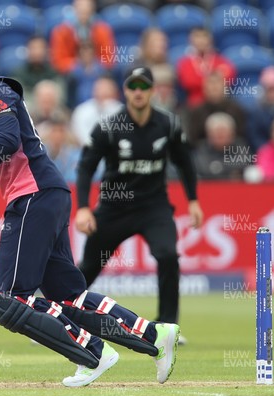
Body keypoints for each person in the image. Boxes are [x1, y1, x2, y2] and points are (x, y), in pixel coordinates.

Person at [0, 33, 180, 387]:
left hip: (34, 196)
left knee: (13, 298)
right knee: (68, 297)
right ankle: (154, 335)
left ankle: (91, 352)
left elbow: (9, 141)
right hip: (45, 193)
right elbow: (3, 158)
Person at [75, 66, 203, 342]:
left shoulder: (168, 123)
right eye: (133, 87)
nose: (138, 92)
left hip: (153, 207)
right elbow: (86, 167)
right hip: (113, 207)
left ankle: (168, 326)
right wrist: (83, 207)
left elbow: (185, 163)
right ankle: (56, 314)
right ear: (125, 91)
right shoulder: (110, 126)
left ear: (152, 91)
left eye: (144, 87)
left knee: (168, 255)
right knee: (88, 266)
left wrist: (193, 200)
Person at [49, 0, 115, 74]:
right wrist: (78, 66)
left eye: (87, 12)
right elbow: (58, 61)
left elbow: (108, 59)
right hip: (70, 74)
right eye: (81, 12)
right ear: (74, 10)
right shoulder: (61, 32)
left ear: (92, 11)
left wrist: (94, 66)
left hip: (97, 72)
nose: (84, 15)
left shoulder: (103, 30)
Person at [176, 27, 236, 108]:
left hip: (220, 104)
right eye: (197, 36)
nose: (201, 40)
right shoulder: (184, 63)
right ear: (190, 39)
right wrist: (214, 80)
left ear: (211, 39)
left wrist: (199, 80)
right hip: (194, 106)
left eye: (204, 36)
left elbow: (229, 77)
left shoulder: (221, 61)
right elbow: (187, 81)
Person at [194, 112, 249, 180]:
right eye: (216, 132)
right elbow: (202, 168)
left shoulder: (240, 146)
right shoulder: (201, 148)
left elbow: (243, 166)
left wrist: (217, 168)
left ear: (232, 133)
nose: (220, 135)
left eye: (223, 132)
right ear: (208, 134)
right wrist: (228, 171)